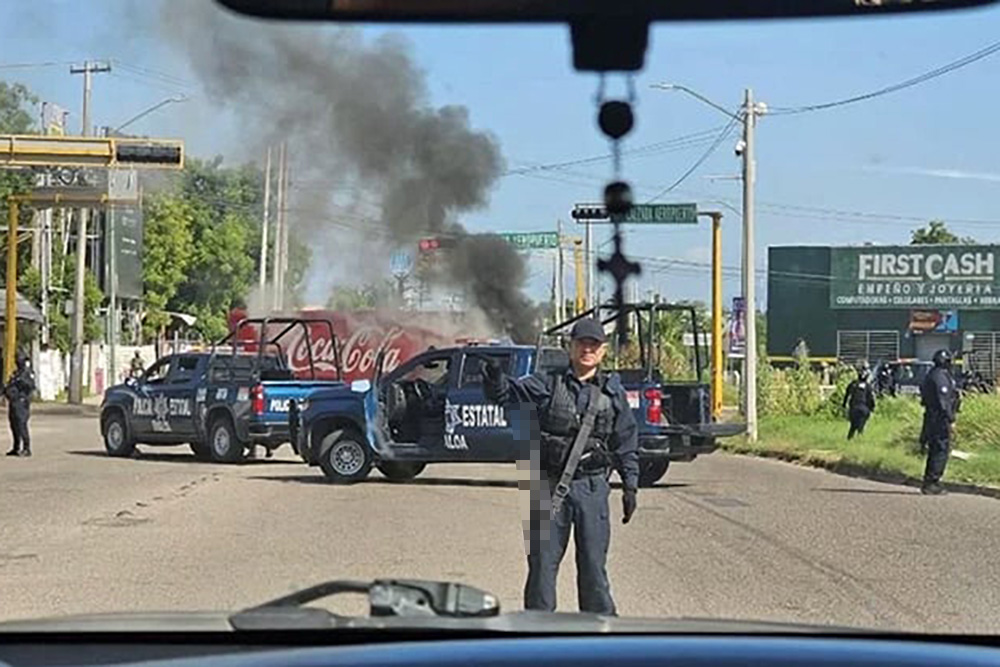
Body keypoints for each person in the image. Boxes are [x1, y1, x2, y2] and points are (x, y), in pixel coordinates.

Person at [481, 317, 639, 615]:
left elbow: (626, 441)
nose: (587, 350)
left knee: (593, 567)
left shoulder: (612, 393)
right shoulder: (546, 383)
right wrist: (494, 376)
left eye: (594, 345)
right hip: (549, 487)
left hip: (592, 489)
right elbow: (507, 395)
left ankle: (600, 634)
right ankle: (537, 639)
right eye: (582, 343)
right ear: (571, 347)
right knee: (542, 566)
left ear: (603, 351)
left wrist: (630, 486)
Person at [919, 349, 959, 495]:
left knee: (935, 448)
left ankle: (929, 481)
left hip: (932, 416)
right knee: (941, 449)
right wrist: (951, 419)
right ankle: (932, 482)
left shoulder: (932, 374)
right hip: (939, 418)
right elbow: (944, 402)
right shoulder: (940, 377)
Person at [5, 351, 36, 458]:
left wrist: (21, 380)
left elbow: (31, 386)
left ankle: (27, 448)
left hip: (22, 403)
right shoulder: (16, 373)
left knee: (21, 425)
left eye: (19, 359)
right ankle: (16, 447)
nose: (17, 361)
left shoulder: (27, 373)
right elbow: (10, 385)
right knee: (13, 426)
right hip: (13, 402)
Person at [842, 365, 876, 440]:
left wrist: (844, 405)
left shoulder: (852, 384)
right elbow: (871, 398)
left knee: (853, 426)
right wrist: (872, 408)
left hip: (853, 408)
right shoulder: (868, 386)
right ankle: (859, 436)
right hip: (864, 409)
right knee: (861, 425)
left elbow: (847, 395)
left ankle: (850, 438)